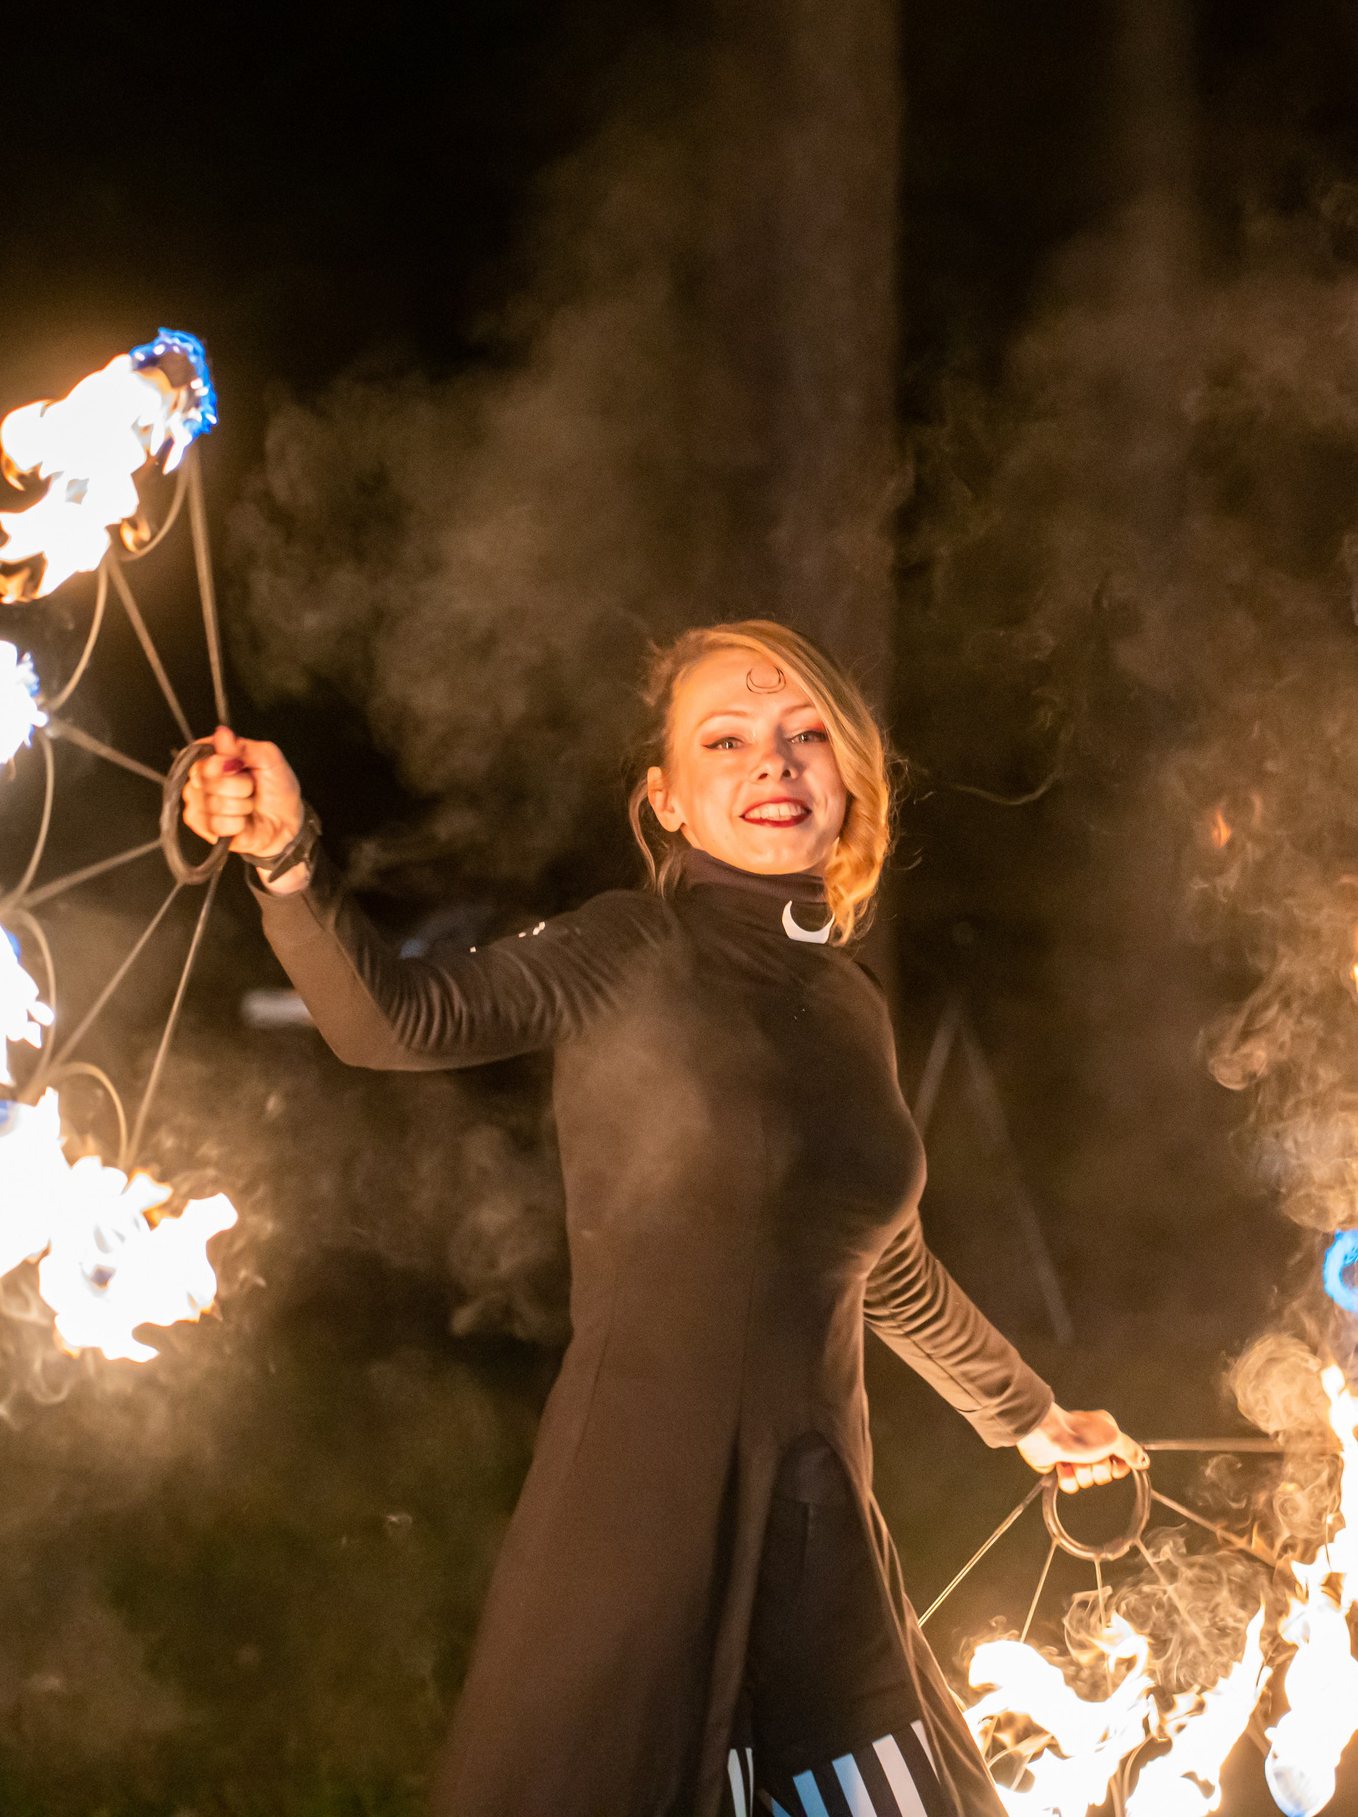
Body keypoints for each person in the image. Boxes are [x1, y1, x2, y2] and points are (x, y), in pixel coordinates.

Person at [182, 619, 1147, 1817]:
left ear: (850, 775)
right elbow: (399, 1017)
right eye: (725, 739)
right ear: (668, 799)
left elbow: (878, 1260)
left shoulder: (847, 1000)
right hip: (647, 1505)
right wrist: (288, 858)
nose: (772, 761)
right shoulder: (629, 946)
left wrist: (1030, 1416)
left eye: (805, 734)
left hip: (815, 1512)